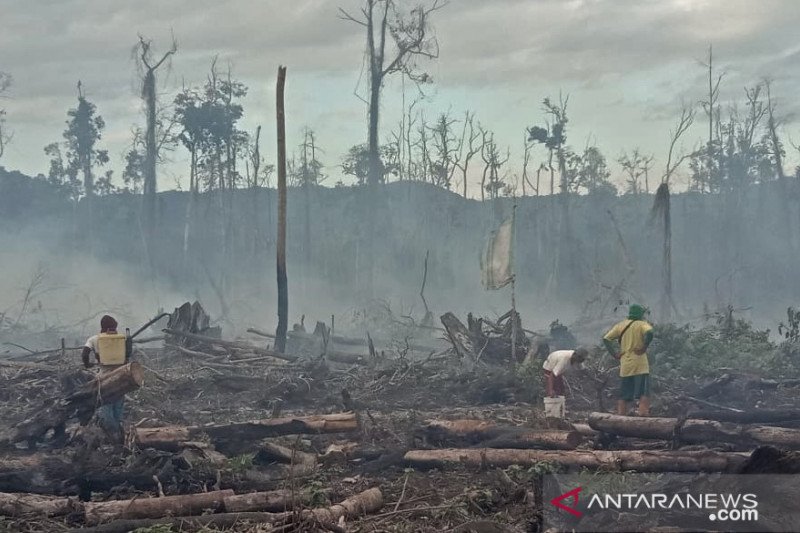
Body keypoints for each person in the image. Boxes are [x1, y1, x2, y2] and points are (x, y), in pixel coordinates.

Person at [81, 315, 128, 442]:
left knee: (106, 405)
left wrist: (87, 364)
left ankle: (113, 436)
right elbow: (128, 355)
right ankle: (119, 434)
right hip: (121, 376)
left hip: (104, 378)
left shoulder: (94, 339)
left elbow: (84, 353)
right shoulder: (121, 338)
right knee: (118, 406)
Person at [602, 304, 654, 416]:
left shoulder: (620, 325)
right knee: (644, 392)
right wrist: (644, 347)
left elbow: (606, 339)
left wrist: (614, 354)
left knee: (624, 394)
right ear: (641, 314)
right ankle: (643, 415)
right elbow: (650, 333)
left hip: (625, 364)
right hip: (640, 364)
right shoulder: (642, 324)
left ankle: (621, 417)